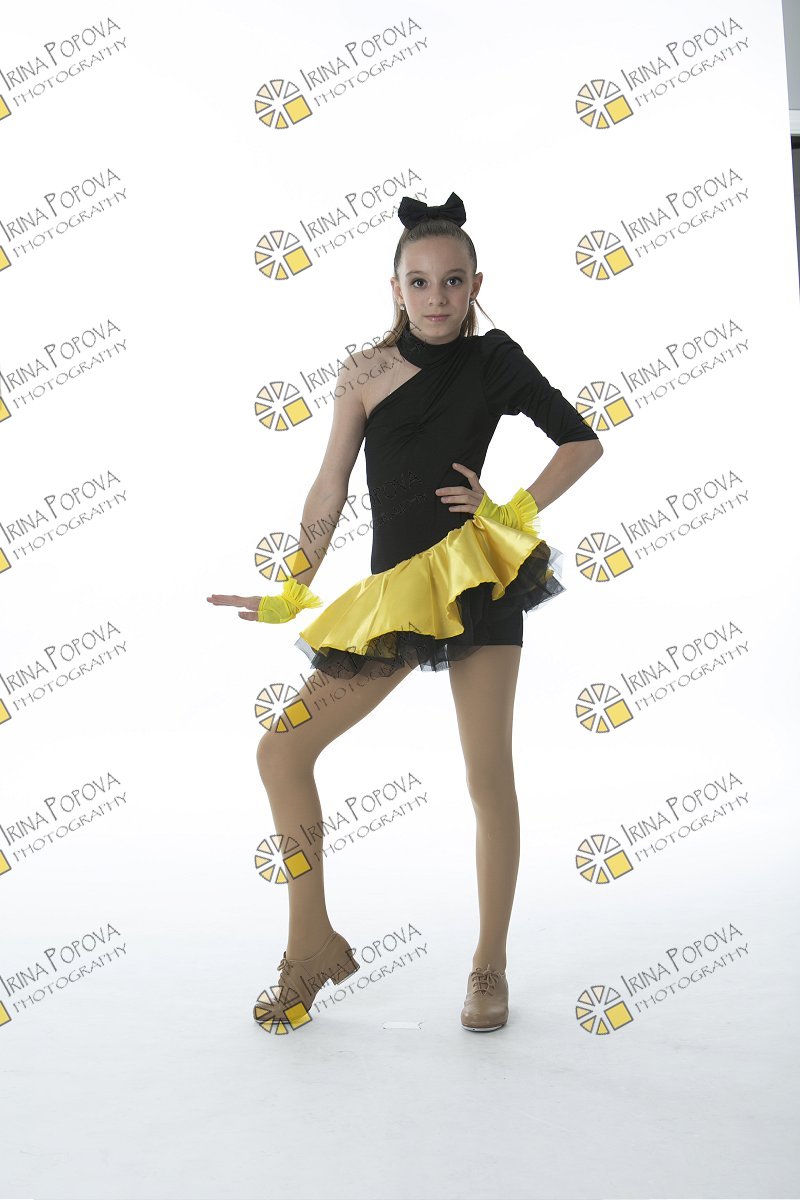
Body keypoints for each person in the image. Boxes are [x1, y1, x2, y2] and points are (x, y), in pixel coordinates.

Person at [207, 192, 604, 1034]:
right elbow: (329, 485)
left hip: (477, 580)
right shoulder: (363, 372)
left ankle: (489, 965)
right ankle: (310, 944)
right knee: (282, 752)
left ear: (475, 285)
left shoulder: (495, 358)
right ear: (395, 288)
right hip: (395, 594)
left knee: (487, 779)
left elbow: (581, 441)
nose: (436, 297)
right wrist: (292, 588)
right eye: (419, 282)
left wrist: (512, 513)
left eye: (453, 281)